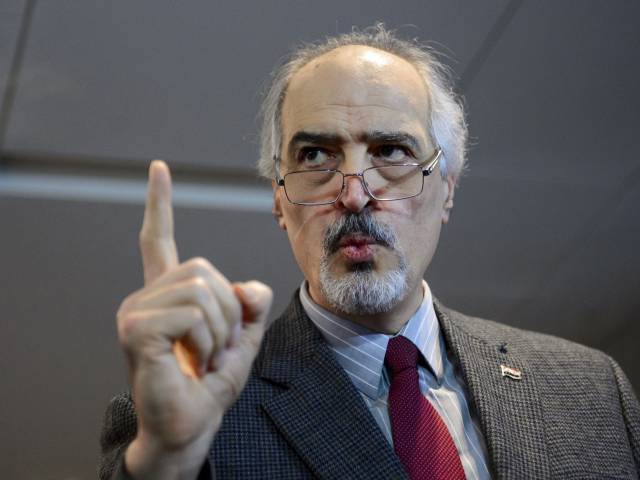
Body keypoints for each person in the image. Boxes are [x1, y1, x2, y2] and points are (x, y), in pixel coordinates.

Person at [99, 26, 640, 480]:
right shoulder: (194, 416)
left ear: (446, 188)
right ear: (279, 198)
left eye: (391, 151)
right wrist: (168, 458)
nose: (354, 193)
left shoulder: (590, 392)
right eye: (315, 155)